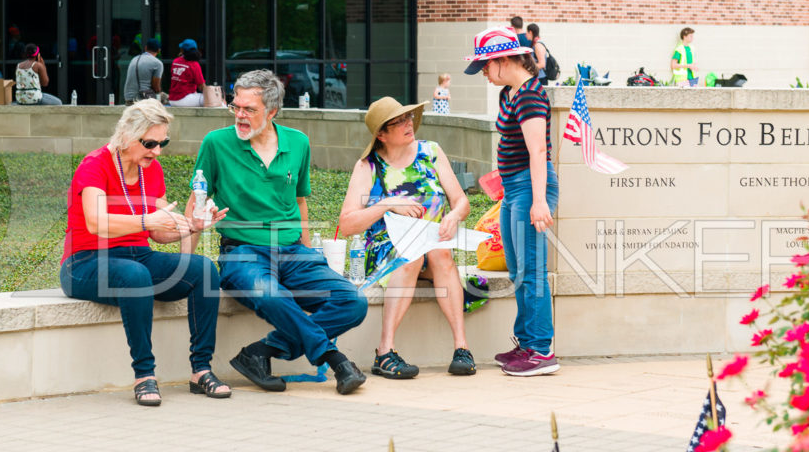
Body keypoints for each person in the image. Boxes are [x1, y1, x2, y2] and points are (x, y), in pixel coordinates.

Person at [187, 69, 369, 395]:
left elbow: (299, 202)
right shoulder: (216, 144)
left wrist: (309, 250)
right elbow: (195, 204)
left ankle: (260, 352)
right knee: (273, 294)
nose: (239, 116)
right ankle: (334, 357)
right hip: (242, 252)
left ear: (271, 112)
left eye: (249, 110)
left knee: (352, 301)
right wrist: (186, 263)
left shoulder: (298, 143)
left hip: (293, 252)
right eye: (236, 107)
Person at [59, 100, 229, 406]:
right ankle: (144, 375)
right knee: (135, 276)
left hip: (137, 255)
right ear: (126, 135)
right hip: (85, 261)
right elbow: (96, 221)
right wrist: (144, 219)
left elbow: (160, 232)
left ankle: (201, 369)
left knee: (203, 270)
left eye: (162, 143)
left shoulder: (152, 170)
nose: (157, 151)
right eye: (149, 143)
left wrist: (192, 225)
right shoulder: (94, 165)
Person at [337, 97, 474, 379]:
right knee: (414, 256)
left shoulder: (431, 152)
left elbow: (461, 201)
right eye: (398, 121)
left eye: (408, 117)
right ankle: (384, 351)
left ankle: (462, 348)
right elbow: (347, 224)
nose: (408, 123)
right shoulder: (368, 166)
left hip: (434, 245)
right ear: (382, 135)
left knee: (438, 252)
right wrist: (386, 204)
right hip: (389, 251)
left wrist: (453, 216)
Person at [464, 26, 560, 376]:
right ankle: (526, 343)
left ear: (504, 60)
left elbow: (537, 151)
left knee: (532, 271)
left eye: (486, 67)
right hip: (515, 188)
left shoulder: (531, 95)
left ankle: (541, 350)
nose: (484, 74)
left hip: (530, 189)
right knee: (518, 270)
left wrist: (538, 202)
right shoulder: (511, 93)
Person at [168, 39, 206, 107]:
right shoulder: (194, 64)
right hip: (184, 99)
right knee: (211, 99)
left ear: (182, 50)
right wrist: (210, 96)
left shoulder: (175, 61)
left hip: (172, 100)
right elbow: (201, 86)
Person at [125, 38, 163, 104]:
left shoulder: (134, 59)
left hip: (128, 98)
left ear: (146, 48)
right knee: (167, 99)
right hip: (143, 100)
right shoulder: (157, 63)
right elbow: (156, 88)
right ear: (159, 50)